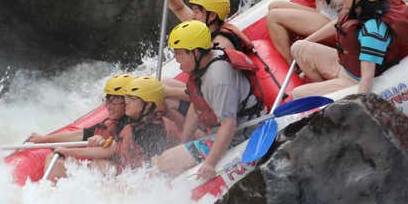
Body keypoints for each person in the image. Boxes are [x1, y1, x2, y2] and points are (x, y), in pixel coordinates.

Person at [154, 20, 264, 181]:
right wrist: (184, 142)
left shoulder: (218, 78)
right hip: (226, 125)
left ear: (196, 52)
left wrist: (210, 163)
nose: (176, 58)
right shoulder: (204, 64)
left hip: (244, 131)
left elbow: (229, 124)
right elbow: (197, 105)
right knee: (165, 159)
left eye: (179, 53)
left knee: (167, 160)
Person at [290, 0, 408, 98]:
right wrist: (308, 40)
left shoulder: (372, 30)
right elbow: (338, 24)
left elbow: (367, 77)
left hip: (353, 81)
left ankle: (332, 94)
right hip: (343, 64)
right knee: (298, 47)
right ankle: (326, 89)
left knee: (297, 94)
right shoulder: (358, 9)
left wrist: (360, 102)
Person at [45, 76, 170, 181]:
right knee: (94, 163)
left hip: (132, 180)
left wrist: (68, 151)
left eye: (131, 99)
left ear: (148, 105)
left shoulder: (144, 129)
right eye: (126, 98)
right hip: (129, 175)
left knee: (98, 164)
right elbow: (103, 145)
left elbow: (110, 151)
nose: (127, 102)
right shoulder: (131, 124)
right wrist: (44, 139)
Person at [26, 73, 132, 146]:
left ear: (128, 101)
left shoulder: (135, 125)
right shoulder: (112, 123)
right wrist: (44, 139)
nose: (109, 106)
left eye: (115, 101)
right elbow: (81, 134)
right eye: (108, 100)